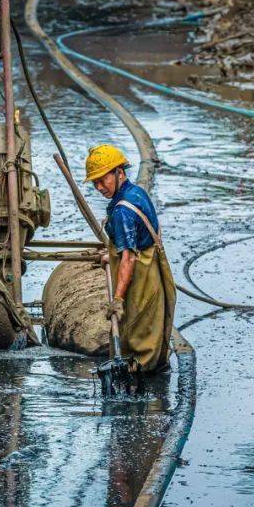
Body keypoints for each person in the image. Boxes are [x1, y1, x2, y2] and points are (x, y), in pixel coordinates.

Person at [83, 144, 176, 373]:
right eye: (94, 182)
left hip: (141, 276)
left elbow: (129, 259)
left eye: (102, 180)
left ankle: (140, 379)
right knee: (150, 325)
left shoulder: (123, 211)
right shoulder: (136, 192)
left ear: (119, 172)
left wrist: (118, 300)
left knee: (137, 329)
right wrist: (110, 256)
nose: (99, 187)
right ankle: (150, 365)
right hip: (150, 266)